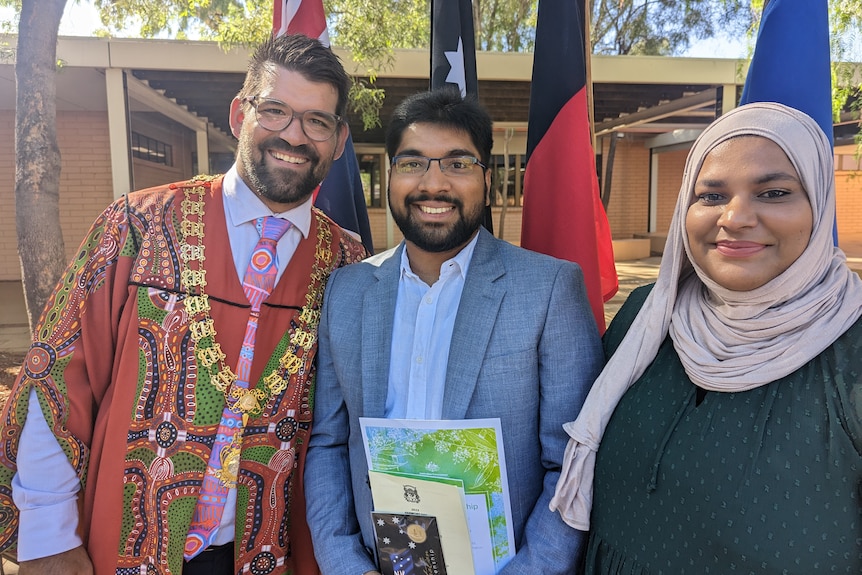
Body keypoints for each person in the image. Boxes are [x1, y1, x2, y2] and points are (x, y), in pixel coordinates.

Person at [0, 34, 368, 575]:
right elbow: (54, 383)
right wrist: (49, 536)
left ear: (338, 142)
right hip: (129, 545)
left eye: (317, 121)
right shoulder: (137, 227)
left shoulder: (349, 263)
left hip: (276, 553)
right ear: (240, 113)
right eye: (275, 111)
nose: (294, 134)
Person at [550, 102, 862, 573]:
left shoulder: (851, 350)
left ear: (819, 203)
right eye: (712, 196)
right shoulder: (645, 315)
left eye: (774, 192)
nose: (735, 217)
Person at [304, 87, 603, 574]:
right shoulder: (347, 291)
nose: (434, 184)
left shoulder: (548, 289)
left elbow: (574, 464)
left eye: (458, 163)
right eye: (413, 163)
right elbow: (330, 443)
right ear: (389, 175)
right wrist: (343, 564)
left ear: (487, 179)